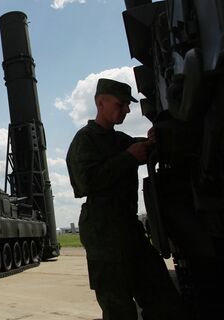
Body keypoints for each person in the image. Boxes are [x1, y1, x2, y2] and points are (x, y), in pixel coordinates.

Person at [66, 78, 183, 320]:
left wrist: (152, 140)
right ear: (100, 103)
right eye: (121, 105)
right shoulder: (85, 140)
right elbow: (84, 183)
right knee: (118, 307)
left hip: (128, 227)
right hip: (103, 231)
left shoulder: (119, 140)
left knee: (162, 297)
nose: (127, 110)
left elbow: (140, 148)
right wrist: (128, 158)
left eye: (128, 106)